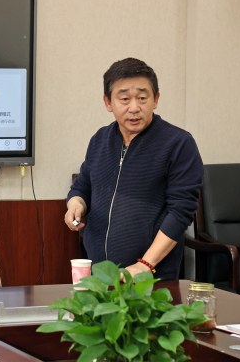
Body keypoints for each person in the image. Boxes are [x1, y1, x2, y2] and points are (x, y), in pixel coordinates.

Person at [65, 58, 203, 280]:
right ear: (108, 102)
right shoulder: (100, 139)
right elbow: (82, 188)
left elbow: (180, 212)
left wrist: (144, 265)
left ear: (156, 99)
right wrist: (75, 205)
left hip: (150, 277)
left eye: (142, 98)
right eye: (124, 99)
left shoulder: (178, 143)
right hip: (100, 274)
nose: (134, 108)